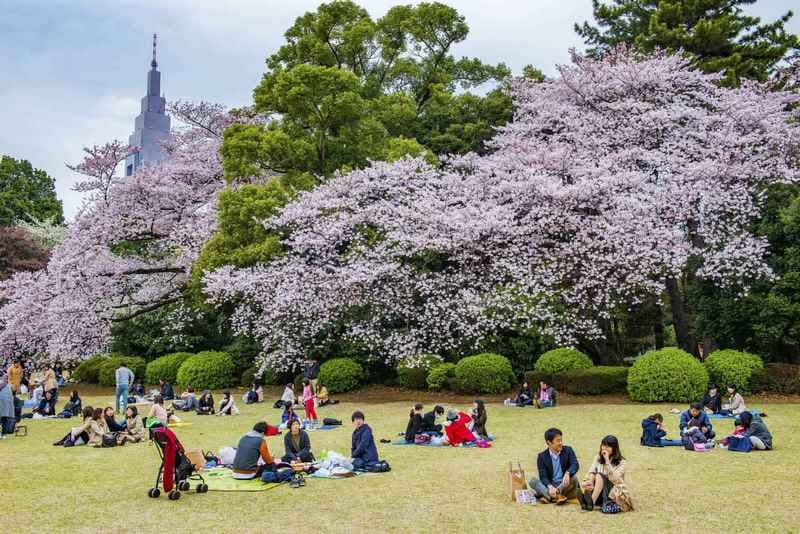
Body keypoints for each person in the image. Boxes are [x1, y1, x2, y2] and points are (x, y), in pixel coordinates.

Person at [579, 435, 633, 512]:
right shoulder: (598, 457)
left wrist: (607, 461)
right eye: (603, 445)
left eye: (608, 446)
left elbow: (616, 479)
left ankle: (591, 503)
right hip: (598, 491)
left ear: (614, 448)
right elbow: (591, 471)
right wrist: (589, 482)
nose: (604, 448)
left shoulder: (622, 462)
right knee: (593, 475)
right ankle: (587, 500)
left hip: (612, 492)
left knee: (599, 475)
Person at [529, 427, 580, 505]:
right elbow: (543, 476)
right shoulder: (542, 457)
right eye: (558, 441)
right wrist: (550, 486)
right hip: (551, 485)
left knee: (574, 478)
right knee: (532, 481)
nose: (561, 443)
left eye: (561, 440)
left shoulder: (568, 450)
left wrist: (568, 472)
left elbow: (575, 464)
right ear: (549, 442)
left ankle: (548, 496)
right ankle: (557, 496)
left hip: (564, 485)